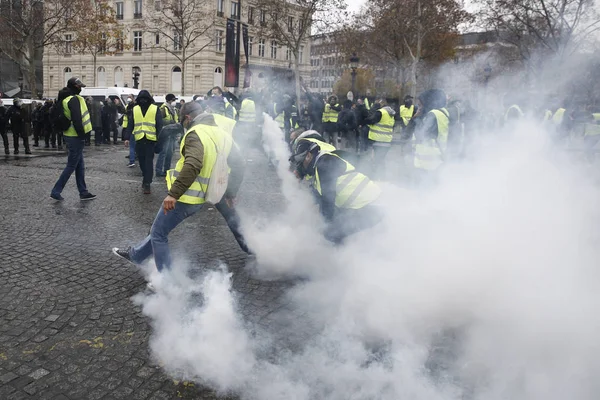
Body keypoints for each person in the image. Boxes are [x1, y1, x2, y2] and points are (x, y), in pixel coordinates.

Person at [112, 101, 250, 285]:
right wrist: (231, 192)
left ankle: (167, 282)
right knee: (159, 230)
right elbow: (240, 164)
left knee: (159, 233)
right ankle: (136, 256)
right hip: (211, 192)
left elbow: (192, 164)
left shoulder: (195, 134)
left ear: (187, 118)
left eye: (181, 119)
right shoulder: (223, 133)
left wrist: (173, 194)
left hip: (188, 196)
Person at [290, 139, 382, 244]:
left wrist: (324, 227)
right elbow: (318, 195)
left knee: (331, 233)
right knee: (335, 223)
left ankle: (344, 258)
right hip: (364, 204)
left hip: (370, 207)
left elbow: (327, 200)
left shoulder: (323, 165)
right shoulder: (321, 160)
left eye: (301, 162)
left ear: (308, 156)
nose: (300, 166)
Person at [50, 77, 96, 201]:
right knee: (71, 165)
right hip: (75, 136)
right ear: (75, 87)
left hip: (70, 135)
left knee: (80, 165)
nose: (81, 88)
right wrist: (83, 135)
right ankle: (56, 190)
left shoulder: (66, 99)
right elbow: (77, 119)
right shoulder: (74, 99)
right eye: (79, 86)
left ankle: (83, 192)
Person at [123, 90, 163, 194]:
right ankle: (146, 178)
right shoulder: (135, 109)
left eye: (145, 99)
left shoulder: (155, 109)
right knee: (141, 162)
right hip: (139, 139)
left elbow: (159, 125)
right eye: (141, 99)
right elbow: (130, 124)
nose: (143, 101)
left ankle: (147, 183)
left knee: (148, 162)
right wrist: (127, 138)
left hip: (150, 140)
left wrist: (159, 139)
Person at [412, 89, 451, 181]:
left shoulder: (433, 114)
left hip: (428, 162)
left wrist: (416, 118)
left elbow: (421, 134)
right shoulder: (442, 112)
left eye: (421, 104)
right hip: (436, 159)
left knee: (426, 188)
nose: (419, 107)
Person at [364, 98, 396, 180]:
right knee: (381, 160)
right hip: (386, 142)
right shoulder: (391, 114)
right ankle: (382, 177)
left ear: (382, 104)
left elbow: (371, 120)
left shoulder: (380, 112)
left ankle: (375, 178)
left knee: (375, 161)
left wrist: (365, 119)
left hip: (377, 141)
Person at [155, 94, 180, 177]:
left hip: (173, 133)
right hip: (166, 133)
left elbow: (176, 120)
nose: (174, 102)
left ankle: (167, 170)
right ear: (169, 100)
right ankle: (158, 170)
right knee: (163, 152)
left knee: (170, 153)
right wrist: (170, 123)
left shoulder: (174, 109)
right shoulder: (163, 109)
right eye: (173, 100)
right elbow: (159, 121)